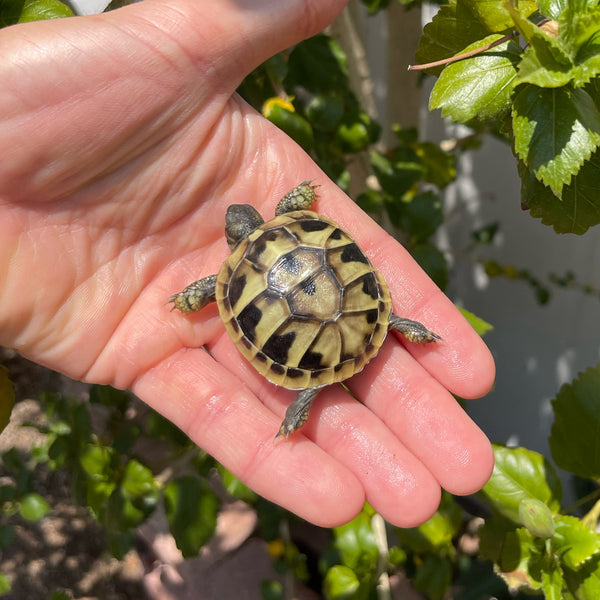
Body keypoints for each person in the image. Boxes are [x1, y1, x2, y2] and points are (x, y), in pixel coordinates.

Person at [0, 0, 495, 527]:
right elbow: (306, 217)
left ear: (236, 232)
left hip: (305, 343)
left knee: (310, 383)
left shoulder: (228, 280)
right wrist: (300, 194)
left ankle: (305, 403)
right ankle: (397, 329)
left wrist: (189, 298)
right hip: (355, 306)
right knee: (371, 334)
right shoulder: (291, 221)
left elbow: (212, 291)